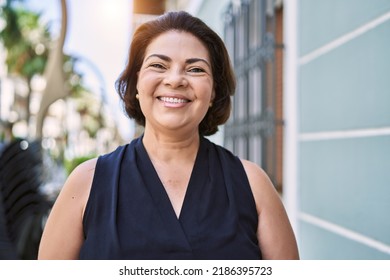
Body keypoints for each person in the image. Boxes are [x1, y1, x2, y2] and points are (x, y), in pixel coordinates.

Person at [38, 11, 299, 260]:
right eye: (158, 65)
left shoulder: (253, 185)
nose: (175, 80)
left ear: (213, 92)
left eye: (195, 69)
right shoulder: (85, 183)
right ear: (137, 83)